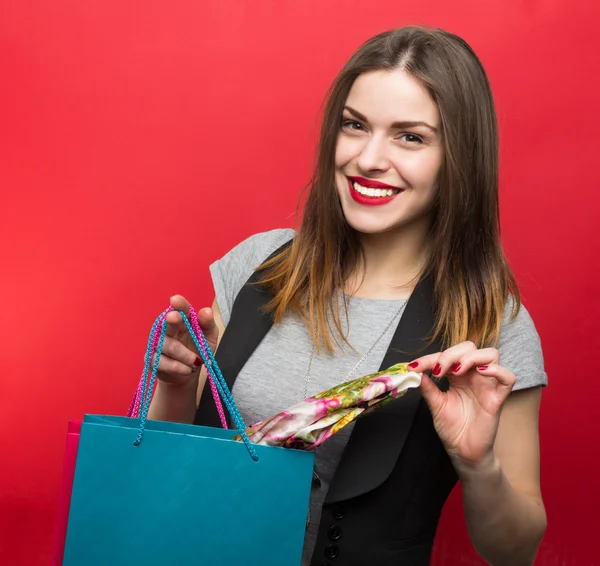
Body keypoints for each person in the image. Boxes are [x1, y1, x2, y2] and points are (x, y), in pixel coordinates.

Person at [148, 26, 547, 566]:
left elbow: (515, 551)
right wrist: (174, 387)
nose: (368, 159)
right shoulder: (258, 266)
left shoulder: (492, 325)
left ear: (460, 156)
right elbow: (165, 465)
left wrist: (477, 464)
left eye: (410, 136)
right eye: (355, 126)